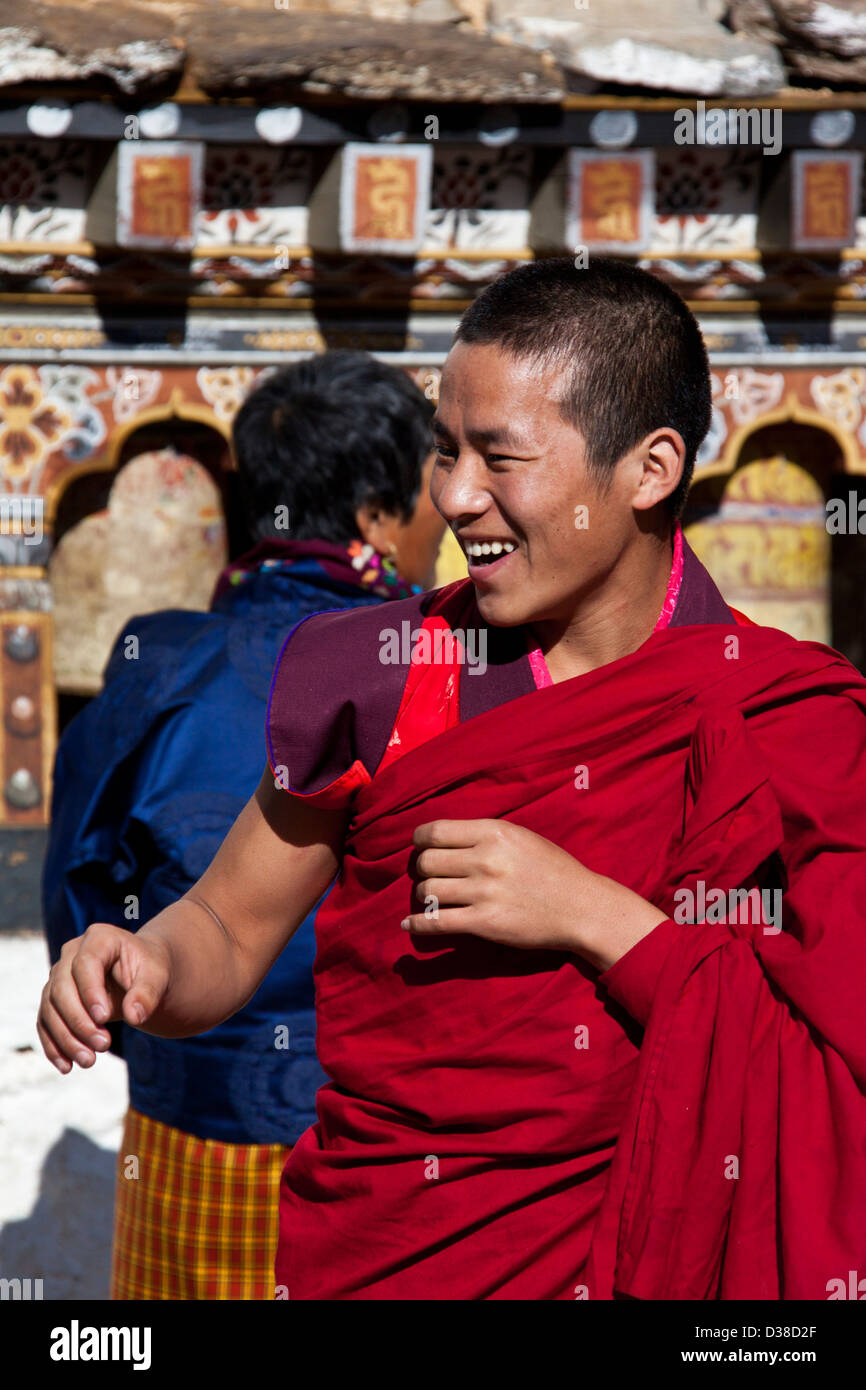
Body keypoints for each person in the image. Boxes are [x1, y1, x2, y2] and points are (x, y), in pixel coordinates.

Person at [39, 259, 866, 1301]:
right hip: (395, 1255)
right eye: (442, 451)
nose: (455, 495)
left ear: (649, 469)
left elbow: (828, 1055)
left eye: (500, 459)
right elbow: (231, 927)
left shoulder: (785, 718)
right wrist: (143, 958)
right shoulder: (378, 676)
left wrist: (595, 917)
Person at [42, 350, 444, 1300]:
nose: (454, 508)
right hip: (379, 1151)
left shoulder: (162, 659)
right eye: (438, 476)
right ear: (380, 513)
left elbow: (81, 899)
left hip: (191, 1130)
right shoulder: (432, 672)